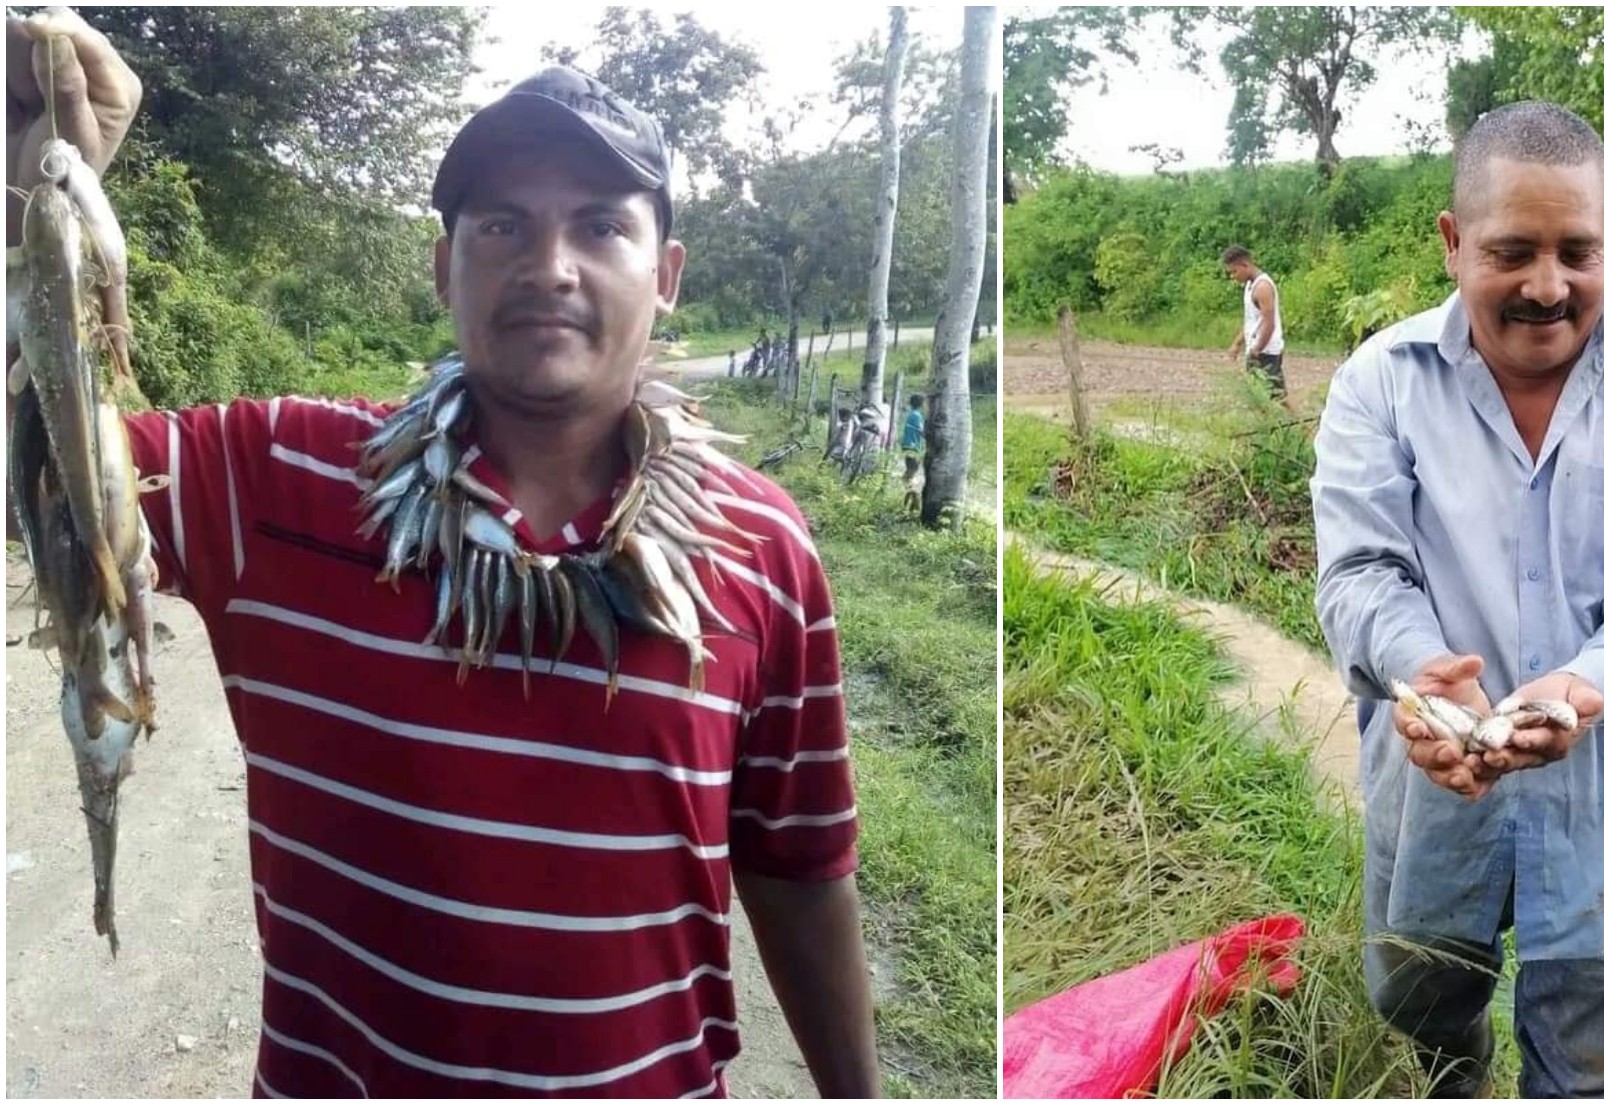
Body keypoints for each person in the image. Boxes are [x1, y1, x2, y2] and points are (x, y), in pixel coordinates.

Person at [5, 12, 880, 1098]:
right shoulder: (275, 475)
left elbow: (796, 868)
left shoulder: (761, 546)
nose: (548, 266)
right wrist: (29, 216)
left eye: (601, 226)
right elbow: (50, 470)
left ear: (668, 275)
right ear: (442, 266)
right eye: (501, 227)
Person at [1311, 101, 1604, 1098]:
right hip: (1425, 801)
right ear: (1451, 242)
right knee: (1423, 1020)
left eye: (1575, 252)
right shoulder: (1378, 385)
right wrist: (1417, 681)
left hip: (1603, 811)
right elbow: (1360, 573)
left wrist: (1585, 688)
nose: (1546, 286)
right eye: (1511, 250)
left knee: (1587, 1066)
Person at [1222, 244, 1286, 401]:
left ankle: (1304, 424)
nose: (1233, 276)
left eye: (1234, 271)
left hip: (1266, 352)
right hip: (1256, 350)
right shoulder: (1250, 286)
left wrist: (1257, 350)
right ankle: (1267, 424)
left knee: (1278, 396)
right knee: (1258, 396)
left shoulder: (1262, 287)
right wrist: (1237, 344)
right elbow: (1252, 322)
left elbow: (1269, 324)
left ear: (1245, 264)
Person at [900, 395, 926, 511]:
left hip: (907, 446)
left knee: (909, 474)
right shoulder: (917, 416)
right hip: (913, 448)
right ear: (921, 404)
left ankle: (912, 500)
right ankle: (915, 498)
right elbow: (922, 431)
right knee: (911, 473)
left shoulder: (910, 414)